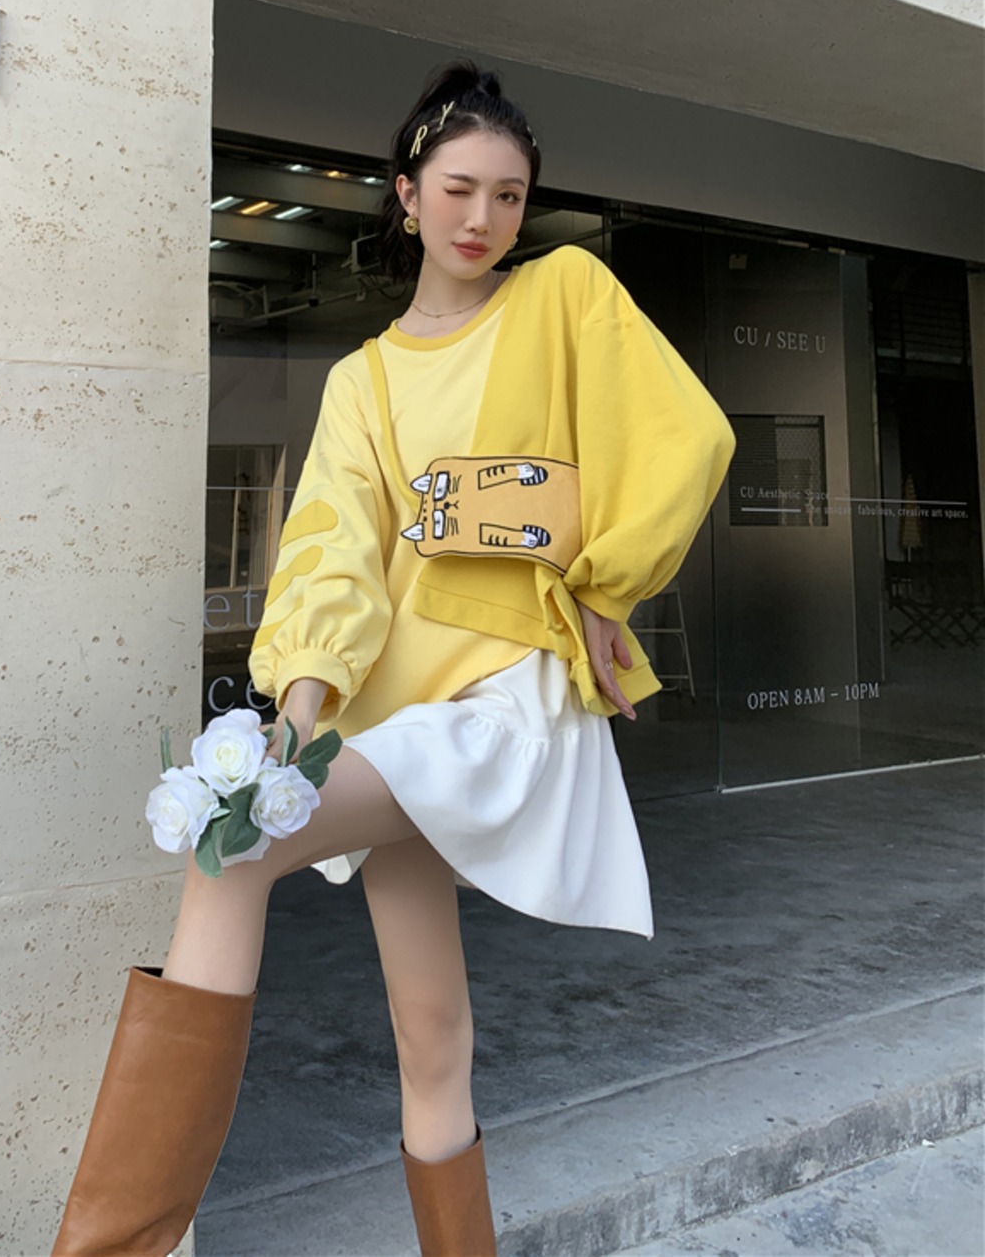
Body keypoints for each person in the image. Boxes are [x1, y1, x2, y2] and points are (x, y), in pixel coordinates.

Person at [52, 61, 737, 1257]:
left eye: (509, 196)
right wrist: (299, 711)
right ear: (407, 196)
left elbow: (689, 437)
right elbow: (332, 553)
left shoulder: (561, 294)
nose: (483, 219)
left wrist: (601, 583)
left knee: (229, 856)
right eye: (459, 190)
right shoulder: (360, 379)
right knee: (431, 1037)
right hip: (392, 718)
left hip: (500, 704)